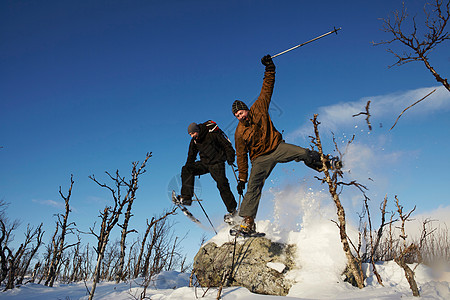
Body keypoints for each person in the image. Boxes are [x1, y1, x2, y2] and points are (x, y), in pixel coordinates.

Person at [232, 55, 341, 234]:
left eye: (241, 112)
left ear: (246, 109)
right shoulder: (239, 132)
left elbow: (267, 88)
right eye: (237, 116)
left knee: (303, 153)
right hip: (259, 159)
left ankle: (326, 163)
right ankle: (248, 223)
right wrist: (242, 178)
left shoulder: (259, 106)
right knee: (254, 186)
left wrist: (269, 68)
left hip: (277, 147)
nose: (241, 117)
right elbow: (241, 155)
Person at [177, 121, 238, 222]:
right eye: (190, 134)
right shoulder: (194, 141)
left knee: (222, 185)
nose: (191, 136)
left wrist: (230, 158)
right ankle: (187, 197)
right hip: (205, 163)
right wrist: (189, 170)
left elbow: (226, 145)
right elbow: (191, 156)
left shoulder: (212, 134)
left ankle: (232, 210)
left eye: (192, 133)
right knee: (186, 168)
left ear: (197, 131)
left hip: (217, 163)